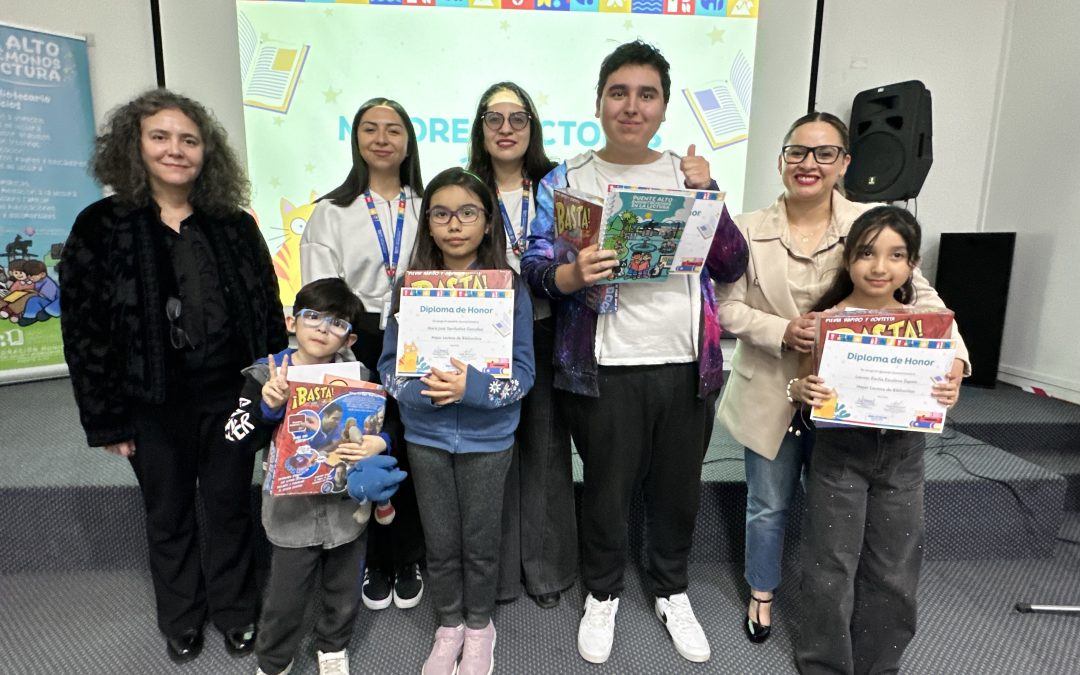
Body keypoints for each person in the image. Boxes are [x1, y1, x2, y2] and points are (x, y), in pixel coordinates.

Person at [519, 41, 749, 665]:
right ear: (598, 102)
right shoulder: (567, 180)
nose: (631, 106)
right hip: (602, 367)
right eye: (618, 92)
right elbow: (535, 265)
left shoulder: (689, 176)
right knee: (606, 491)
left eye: (647, 95)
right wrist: (570, 276)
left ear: (664, 107)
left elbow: (732, 263)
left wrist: (712, 195)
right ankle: (603, 593)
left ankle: (672, 590)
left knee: (678, 489)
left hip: (686, 364)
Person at [714, 112, 969, 644]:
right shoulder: (745, 227)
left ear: (845, 162)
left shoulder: (869, 225)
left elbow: (925, 301)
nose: (809, 163)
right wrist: (783, 330)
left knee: (835, 510)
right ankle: (762, 593)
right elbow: (725, 307)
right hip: (772, 389)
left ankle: (832, 603)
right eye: (798, 152)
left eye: (824, 153)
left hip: (855, 400)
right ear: (781, 160)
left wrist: (956, 361)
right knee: (767, 504)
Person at [58, 89, 288, 662]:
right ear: (134, 146)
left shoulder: (234, 225)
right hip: (150, 404)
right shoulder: (100, 226)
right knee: (168, 513)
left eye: (189, 139)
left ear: (207, 152)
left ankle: (236, 611)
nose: (175, 149)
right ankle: (182, 618)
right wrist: (107, 419)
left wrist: (274, 387)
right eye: (159, 137)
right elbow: (84, 333)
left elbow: (266, 309)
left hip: (232, 397)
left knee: (230, 504)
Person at [790, 206, 963, 674]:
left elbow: (943, 387)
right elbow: (802, 383)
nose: (880, 267)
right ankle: (825, 664)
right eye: (867, 253)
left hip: (903, 456)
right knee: (831, 566)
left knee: (895, 567)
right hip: (840, 454)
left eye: (896, 255)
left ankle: (879, 665)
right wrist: (801, 390)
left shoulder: (927, 326)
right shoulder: (824, 321)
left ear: (912, 265)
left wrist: (948, 392)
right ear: (849, 259)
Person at [378, 167, 535, 675]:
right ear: (428, 223)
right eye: (441, 213)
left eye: (468, 212)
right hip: (426, 437)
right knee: (441, 542)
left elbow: (524, 375)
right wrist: (424, 393)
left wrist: (471, 388)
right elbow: (389, 368)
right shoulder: (409, 287)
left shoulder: (510, 287)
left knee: (481, 545)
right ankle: (449, 626)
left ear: (488, 222)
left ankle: (480, 627)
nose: (454, 224)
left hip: (489, 440)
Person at [224, 277, 407, 675]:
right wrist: (267, 407)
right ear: (292, 322)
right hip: (290, 511)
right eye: (313, 317)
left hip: (347, 508)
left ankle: (333, 645)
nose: (323, 328)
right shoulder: (265, 375)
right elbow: (236, 438)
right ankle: (275, 659)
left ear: (350, 338)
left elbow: (389, 419)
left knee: (344, 589)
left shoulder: (360, 376)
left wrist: (381, 441)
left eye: (337, 323)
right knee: (285, 596)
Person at [300, 97, 427, 612]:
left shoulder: (427, 205)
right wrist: (337, 345)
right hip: (355, 339)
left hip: (418, 336)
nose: (381, 138)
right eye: (370, 129)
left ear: (408, 142)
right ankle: (373, 557)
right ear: (356, 140)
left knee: (410, 445)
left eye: (393, 129)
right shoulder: (331, 212)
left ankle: (408, 554)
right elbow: (320, 296)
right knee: (358, 444)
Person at [466, 81, 576, 609]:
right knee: (492, 453)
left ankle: (546, 570)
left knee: (546, 448)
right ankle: (499, 576)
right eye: (494, 118)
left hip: (546, 326)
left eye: (518, 118)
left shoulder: (560, 185)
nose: (506, 128)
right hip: (481, 334)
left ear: (532, 127)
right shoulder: (465, 187)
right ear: (480, 129)